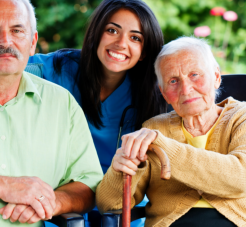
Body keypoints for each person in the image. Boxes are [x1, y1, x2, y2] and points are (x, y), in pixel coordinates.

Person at [0, 0, 166, 225]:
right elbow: (5, 59)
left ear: (145, 50)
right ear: (96, 33)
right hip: (62, 206)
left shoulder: (156, 93)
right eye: (112, 30)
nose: (121, 43)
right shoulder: (59, 69)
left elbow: (196, 100)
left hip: (121, 202)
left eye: (135, 38)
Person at [0, 0, 103, 226]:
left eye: (17, 30)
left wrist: (51, 202)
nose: (5, 41)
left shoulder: (61, 103)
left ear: (33, 42)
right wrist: (4, 186)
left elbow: (88, 183)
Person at [96, 37, 246, 227]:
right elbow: (109, 206)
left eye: (195, 75)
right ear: (164, 93)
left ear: (216, 77)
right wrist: (118, 172)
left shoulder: (241, 117)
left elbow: (240, 179)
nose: (186, 89)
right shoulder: (153, 129)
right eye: (173, 81)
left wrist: (163, 146)